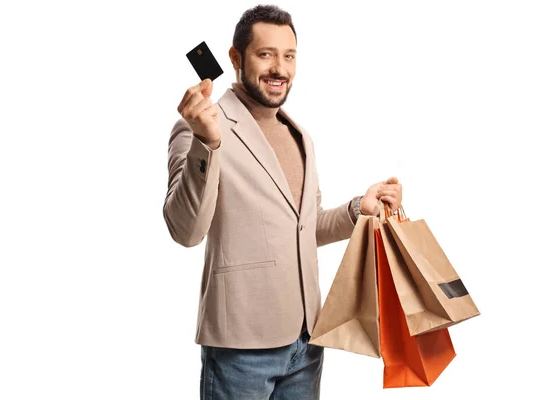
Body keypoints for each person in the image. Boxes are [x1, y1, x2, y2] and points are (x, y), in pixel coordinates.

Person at [163, 4, 403, 399]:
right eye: (266, 54)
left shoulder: (300, 137)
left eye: (288, 56)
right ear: (236, 58)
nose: (280, 68)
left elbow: (302, 229)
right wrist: (207, 141)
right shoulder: (202, 126)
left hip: (307, 340)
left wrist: (360, 207)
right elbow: (186, 230)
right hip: (240, 348)